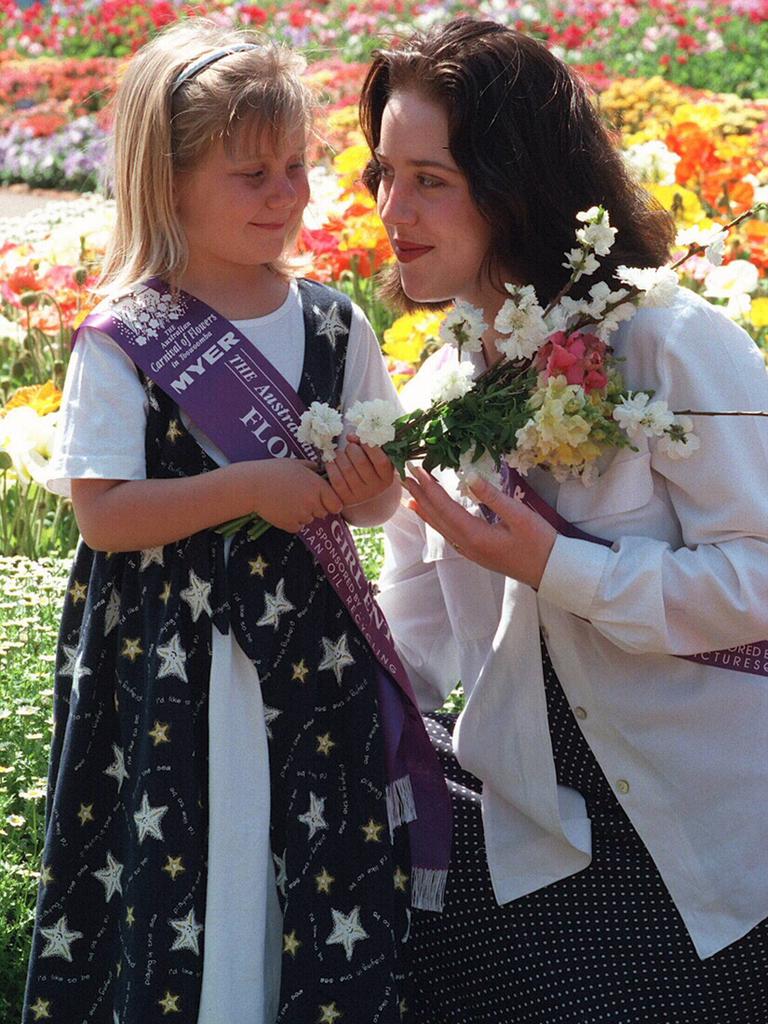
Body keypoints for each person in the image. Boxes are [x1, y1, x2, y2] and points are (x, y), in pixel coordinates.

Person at [22, 20, 447, 1024]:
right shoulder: (128, 336)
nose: (287, 194)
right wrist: (251, 486)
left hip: (312, 664)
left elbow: (379, 501)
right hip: (170, 665)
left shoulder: (336, 322)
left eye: (297, 166)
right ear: (167, 184)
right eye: (250, 173)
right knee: (192, 869)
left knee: (305, 868)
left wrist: (366, 482)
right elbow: (106, 515)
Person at [359, 16, 768, 1023]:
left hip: (703, 843)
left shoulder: (667, 342)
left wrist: (559, 567)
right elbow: (413, 644)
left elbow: (760, 580)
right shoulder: (441, 395)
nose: (389, 211)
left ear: (513, 188)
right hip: (536, 825)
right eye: (382, 174)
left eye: (430, 180)